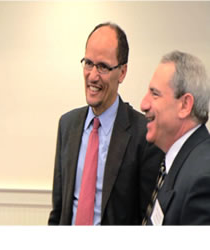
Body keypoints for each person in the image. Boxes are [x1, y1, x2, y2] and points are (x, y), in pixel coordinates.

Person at [48, 22, 164, 225]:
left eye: (102, 66)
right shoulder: (67, 126)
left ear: (122, 72)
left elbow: (148, 220)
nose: (92, 76)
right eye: (88, 63)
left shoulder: (144, 135)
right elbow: (58, 211)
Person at [141, 50, 210, 225]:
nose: (143, 104)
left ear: (185, 105)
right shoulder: (177, 163)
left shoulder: (203, 179)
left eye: (155, 94)